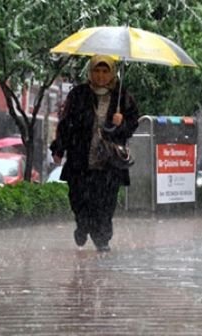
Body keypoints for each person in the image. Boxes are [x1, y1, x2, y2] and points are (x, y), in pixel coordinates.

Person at [50, 55, 139, 252]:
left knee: (105, 204)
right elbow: (66, 123)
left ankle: (102, 240)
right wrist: (59, 148)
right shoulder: (78, 94)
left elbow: (132, 125)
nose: (100, 76)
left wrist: (121, 123)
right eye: (96, 71)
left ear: (112, 73)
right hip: (80, 161)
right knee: (79, 199)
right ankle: (82, 226)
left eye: (105, 71)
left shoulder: (122, 97)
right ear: (90, 72)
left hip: (109, 164)